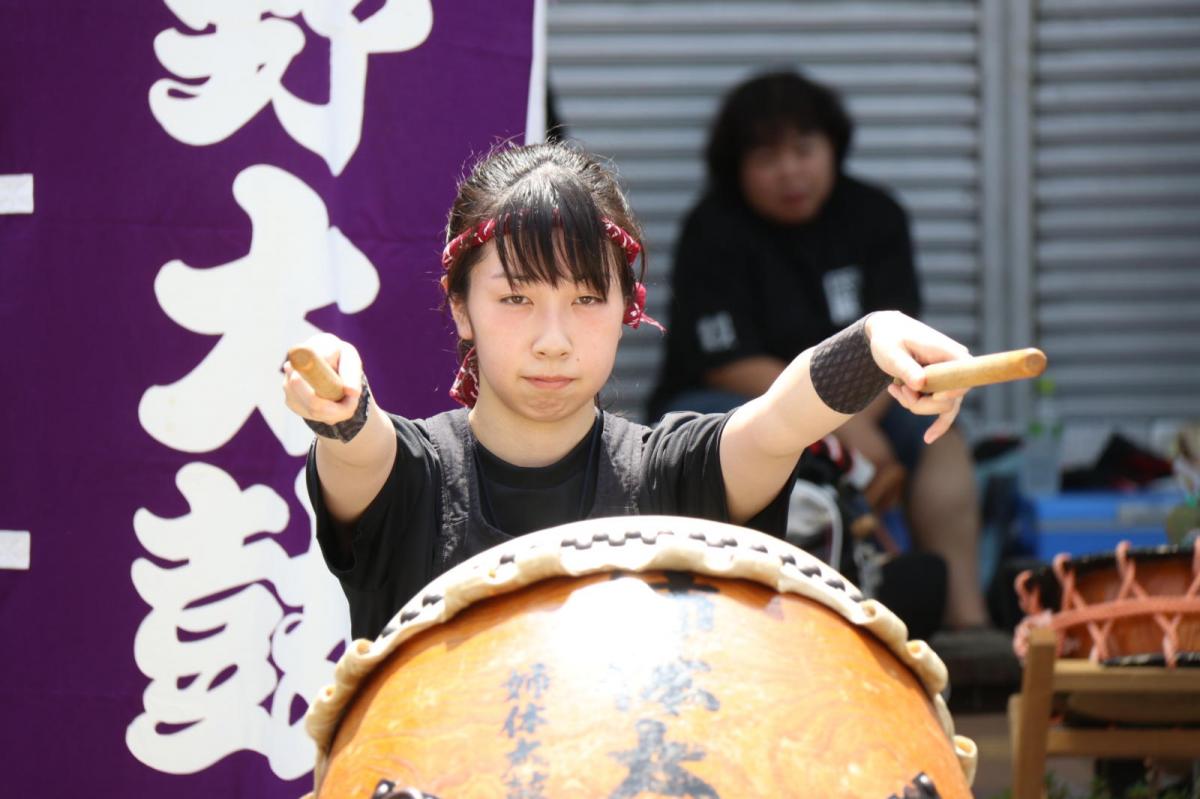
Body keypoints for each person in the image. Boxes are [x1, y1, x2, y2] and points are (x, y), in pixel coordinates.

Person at [282, 141, 972, 640]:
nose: (553, 339)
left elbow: (779, 420)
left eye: (586, 299)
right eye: (516, 298)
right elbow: (362, 449)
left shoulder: (672, 474)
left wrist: (871, 340)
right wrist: (343, 412)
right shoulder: (410, 477)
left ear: (627, 309)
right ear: (460, 306)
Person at [647, 70, 990, 631]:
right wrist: (839, 425)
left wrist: (857, 423)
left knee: (942, 443)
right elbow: (727, 362)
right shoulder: (714, 231)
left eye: (804, 150)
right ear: (737, 168)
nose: (790, 172)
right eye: (767, 158)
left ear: (833, 147)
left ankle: (969, 623)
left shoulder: (875, 217)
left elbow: (901, 340)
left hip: (872, 397)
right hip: (739, 401)